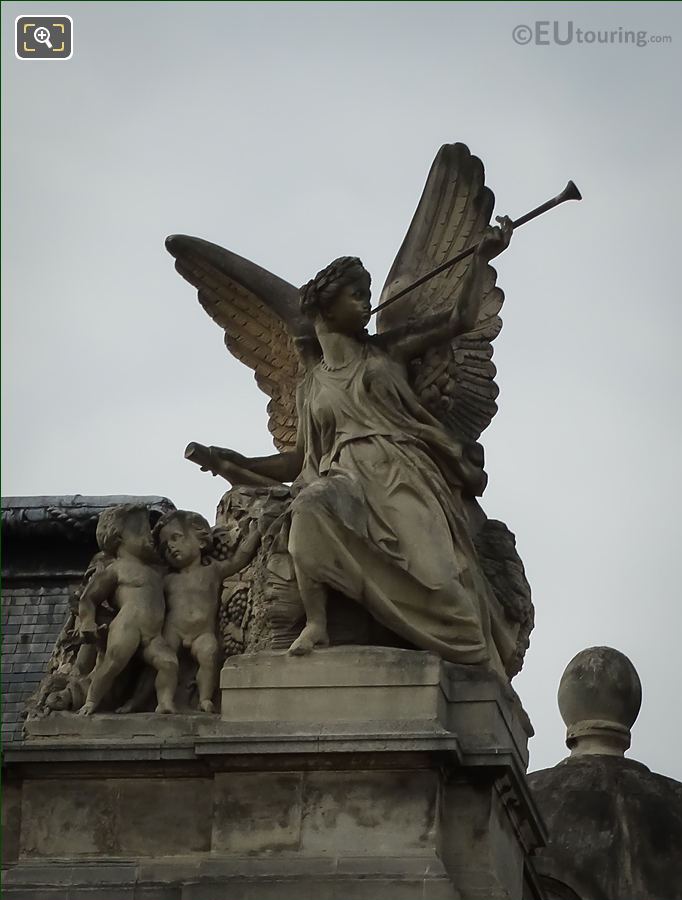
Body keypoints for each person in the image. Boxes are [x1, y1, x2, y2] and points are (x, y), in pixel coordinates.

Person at [207, 218, 518, 673]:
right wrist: (232, 462)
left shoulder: (386, 350)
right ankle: (317, 623)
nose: (368, 302)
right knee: (309, 509)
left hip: (402, 472)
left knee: (444, 584)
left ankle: (466, 648)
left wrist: (480, 258)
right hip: (344, 480)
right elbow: (298, 461)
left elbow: (459, 320)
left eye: (368, 293)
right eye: (358, 294)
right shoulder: (310, 386)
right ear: (327, 308)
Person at [154, 510, 260, 712]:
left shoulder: (212, 570)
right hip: (174, 629)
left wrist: (256, 532)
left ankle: (205, 699)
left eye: (176, 538)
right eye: (166, 546)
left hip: (203, 632)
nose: (171, 547)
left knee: (209, 655)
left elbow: (239, 560)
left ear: (201, 541)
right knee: (165, 661)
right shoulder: (167, 580)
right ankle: (164, 700)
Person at [77, 504, 178, 715]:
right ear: (119, 537)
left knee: (169, 663)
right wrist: (88, 621)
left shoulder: (155, 569)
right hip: (128, 625)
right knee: (113, 663)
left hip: (152, 633)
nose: (149, 536)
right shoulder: (116, 569)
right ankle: (91, 701)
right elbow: (88, 598)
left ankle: (165, 703)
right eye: (141, 531)